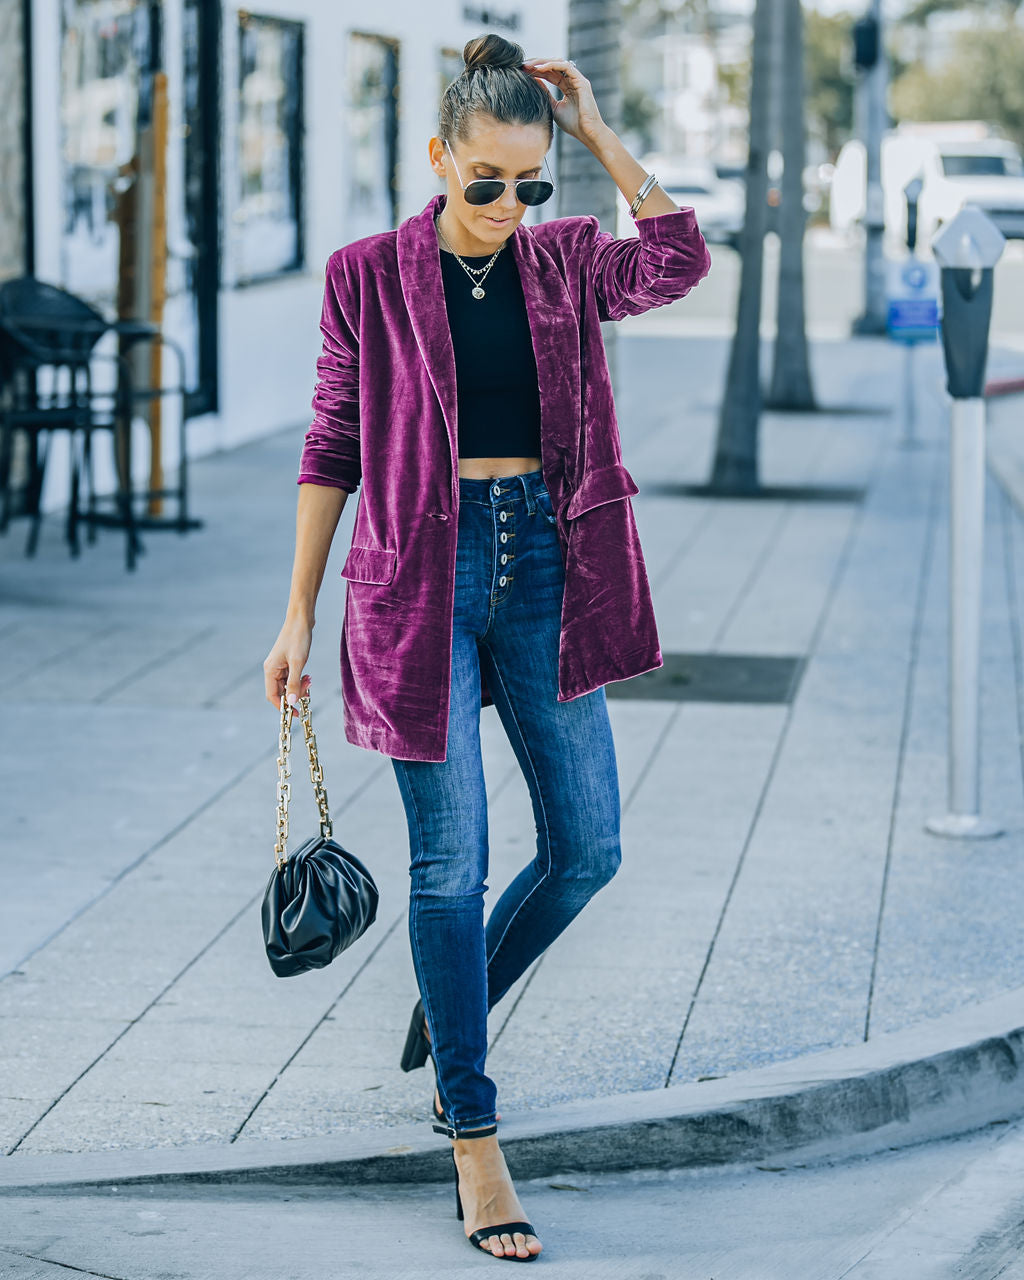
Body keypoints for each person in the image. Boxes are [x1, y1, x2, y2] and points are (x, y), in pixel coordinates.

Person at [263, 31, 710, 1263]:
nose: (510, 207)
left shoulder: (566, 261)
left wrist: (599, 134)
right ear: (437, 159)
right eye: (485, 183)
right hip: (417, 580)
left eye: (531, 183)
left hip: (546, 571)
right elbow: (332, 441)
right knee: (448, 866)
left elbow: (677, 258)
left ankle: (452, 990)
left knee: (588, 847)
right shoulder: (367, 274)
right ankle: (472, 1128)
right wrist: (297, 611)